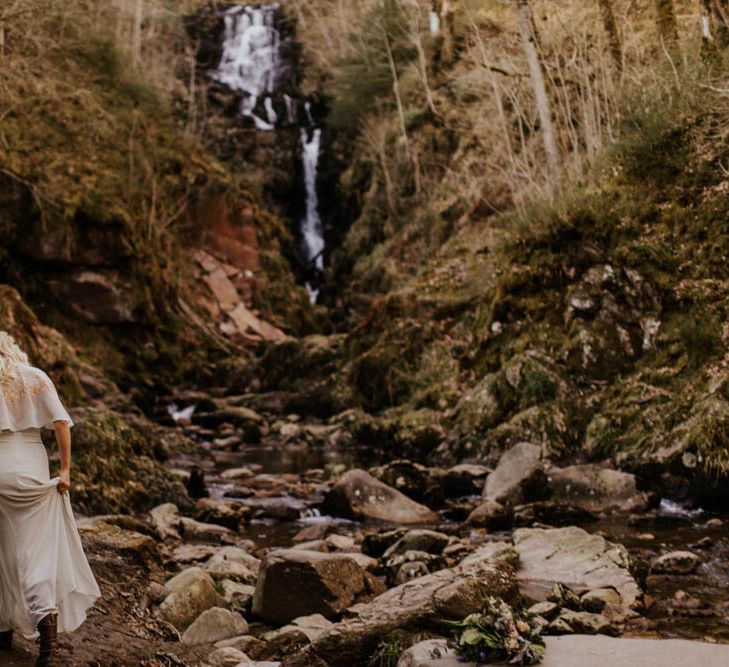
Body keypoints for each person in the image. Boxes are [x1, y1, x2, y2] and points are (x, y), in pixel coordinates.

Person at [0, 332, 100, 666]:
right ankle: (48, 645)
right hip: (30, 466)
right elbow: (61, 422)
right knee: (35, 551)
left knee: (3, 548)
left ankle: (3, 630)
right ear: (14, 349)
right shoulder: (35, 377)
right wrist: (66, 470)